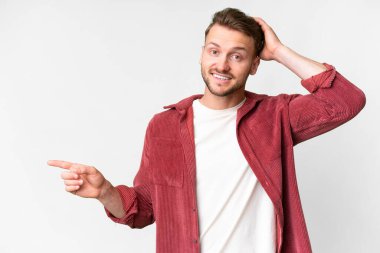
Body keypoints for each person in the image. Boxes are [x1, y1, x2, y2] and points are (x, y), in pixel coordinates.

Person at [48, 7, 366, 253]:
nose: (222, 65)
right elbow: (143, 210)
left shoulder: (275, 116)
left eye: (237, 56)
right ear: (202, 54)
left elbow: (345, 100)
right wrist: (105, 192)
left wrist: (279, 51)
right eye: (214, 51)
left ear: (255, 64)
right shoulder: (166, 127)